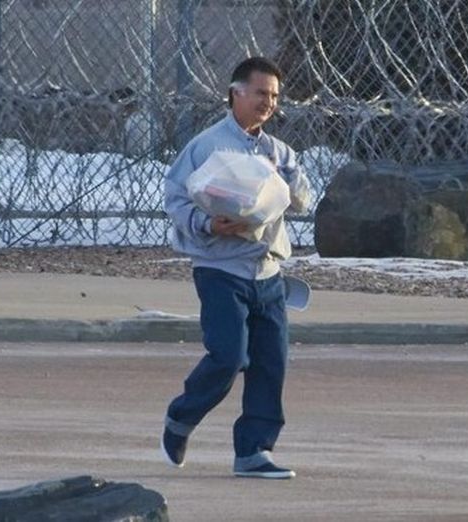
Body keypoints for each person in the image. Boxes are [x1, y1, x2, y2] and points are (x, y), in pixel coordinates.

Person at [160, 56, 312, 479]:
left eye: (275, 96)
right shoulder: (208, 146)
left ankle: (253, 451)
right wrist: (208, 223)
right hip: (220, 270)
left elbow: (301, 200)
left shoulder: (278, 151)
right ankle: (181, 417)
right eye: (261, 93)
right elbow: (176, 197)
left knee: (271, 363)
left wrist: (289, 180)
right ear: (236, 93)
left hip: (267, 273)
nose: (269, 103)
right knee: (229, 357)